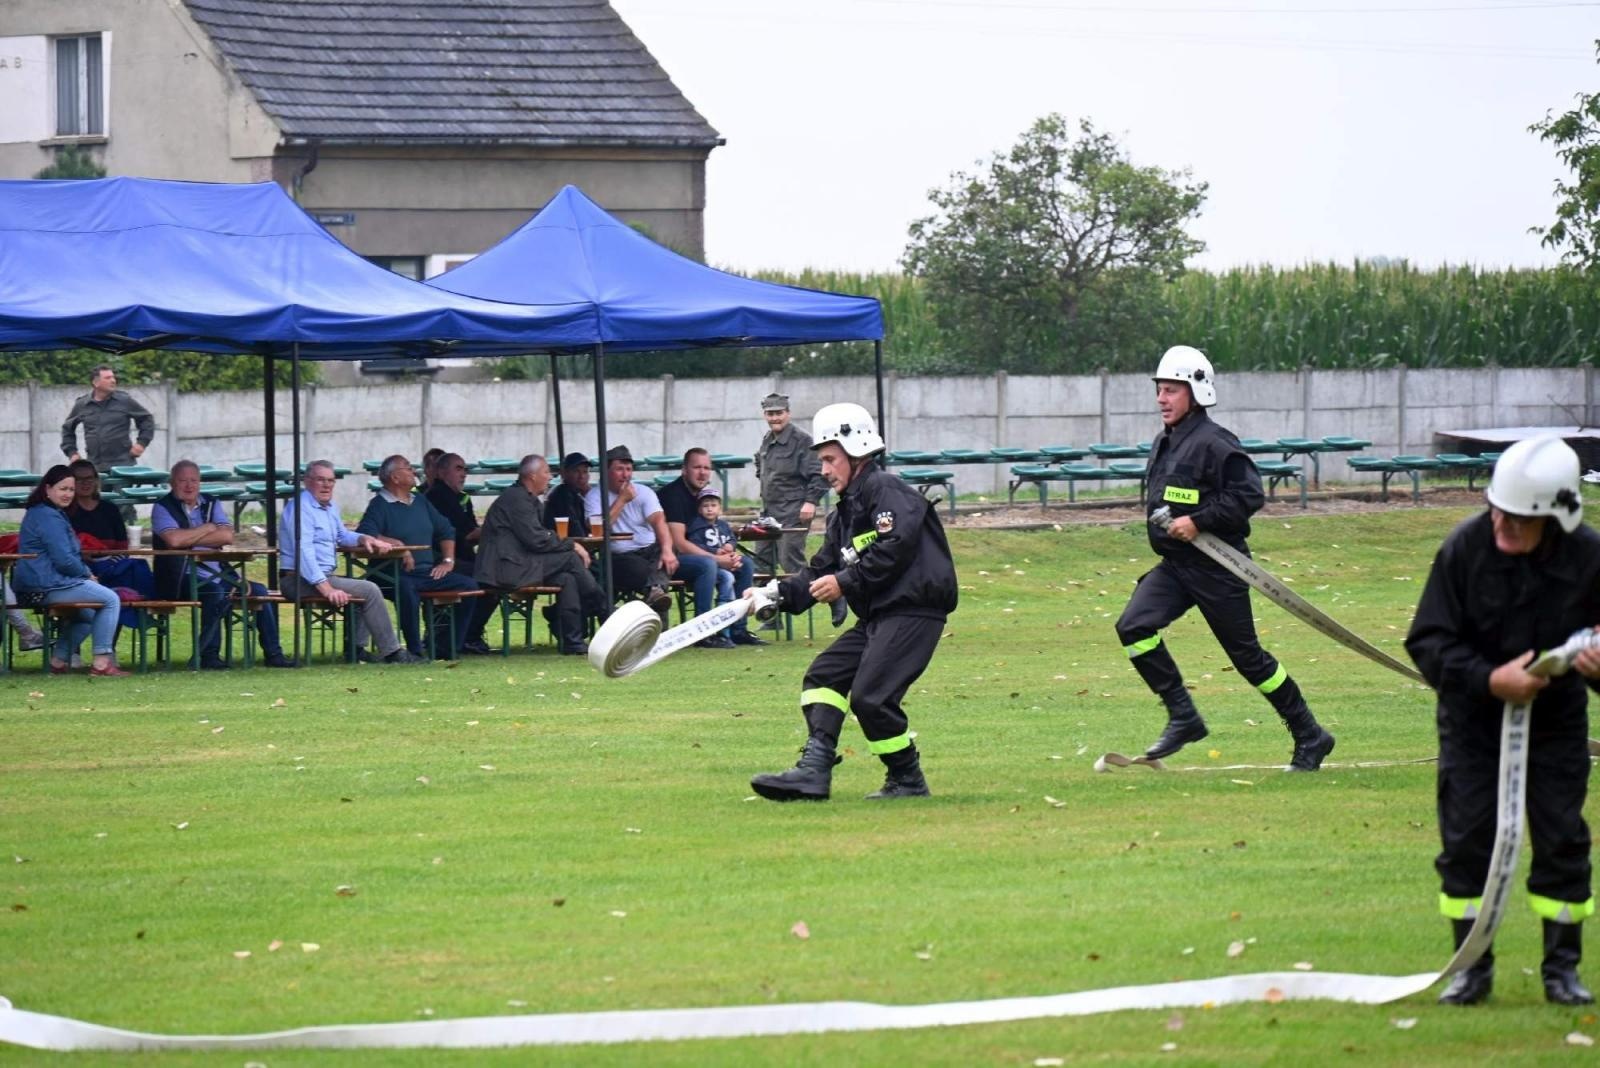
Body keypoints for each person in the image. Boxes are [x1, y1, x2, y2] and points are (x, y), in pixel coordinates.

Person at [1406, 435, 1598, 1007]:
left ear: (1557, 517)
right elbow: (1428, 641)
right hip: (1472, 725)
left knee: (1563, 839)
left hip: (1556, 725)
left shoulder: (1590, 558)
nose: (1501, 525)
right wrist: (1490, 680)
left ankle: (1562, 970)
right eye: (1495, 510)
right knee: (1466, 841)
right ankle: (1471, 967)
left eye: (1516, 519)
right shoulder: (1465, 549)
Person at [1114, 345, 1335, 770]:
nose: (1162, 398)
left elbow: (1249, 495)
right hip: (1178, 567)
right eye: (1160, 390)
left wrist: (1197, 521)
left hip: (1219, 568)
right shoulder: (1166, 441)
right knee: (1134, 627)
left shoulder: (1216, 443)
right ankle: (1184, 716)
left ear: (1196, 393)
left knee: (1250, 660)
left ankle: (1310, 735)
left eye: (1172, 390)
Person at [748, 402, 957, 802]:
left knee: (871, 696)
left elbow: (894, 547)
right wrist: (772, 593)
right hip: (880, 615)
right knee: (824, 676)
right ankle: (814, 771)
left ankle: (907, 779)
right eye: (821, 461)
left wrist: (845, 581)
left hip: (913, 611)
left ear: (856, 451)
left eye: (829, 459)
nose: (823, 471)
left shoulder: (887, 492)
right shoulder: (844, 514)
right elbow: (819, 570)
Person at [150, 460, 294, 670]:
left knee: (261, 591)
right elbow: (173, 541)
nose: (189, 486)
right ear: (172, 482)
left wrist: (189, 538)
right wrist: (208, 528)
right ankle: (209, 655)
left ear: (200, 482)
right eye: (183, 481)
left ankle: (274, 654)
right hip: (179, 577)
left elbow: (226, 536)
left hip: (219, 573)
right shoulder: (162, 507)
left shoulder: (211, 502)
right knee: (214, 592)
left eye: (194, 481)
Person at [278, 459, 424, 665]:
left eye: (331, 480)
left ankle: (356, 649)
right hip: (297, 580)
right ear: (307, 481)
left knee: (360, 589)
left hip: (319, 578)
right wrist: (327, 589)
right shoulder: (300, 509)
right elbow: (304, 554)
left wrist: (364, 538)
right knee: (370, 589)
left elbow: (342, 535)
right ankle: (392, 652)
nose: (327, 485)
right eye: (321, 480)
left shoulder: (329, 508)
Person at [476, 454, 609, 655]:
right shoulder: (516, 499)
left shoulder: (527, 499)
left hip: (521, 563)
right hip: (506, 568)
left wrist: (565, 544)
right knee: (570, 558)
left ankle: (573, 640)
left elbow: (539, 537)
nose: (550, 477)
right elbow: (536, 539)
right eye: (546, 472)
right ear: (532, 476)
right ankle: (605, 612)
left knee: (567, 578)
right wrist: (571, 545)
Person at [357, 454, 483, 659]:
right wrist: (398, 546)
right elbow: (366, 534)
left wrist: (448, 561)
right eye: (407, 468)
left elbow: (446, 530)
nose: (414, 471)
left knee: (468, 585)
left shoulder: (420, 501)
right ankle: (415, 650)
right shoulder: (379, 504)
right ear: (395, 477)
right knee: (407, 589)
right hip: (391, 574)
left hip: (425, 572)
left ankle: (447, 647)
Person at [12, 465, 130, 676]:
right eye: (62, 489)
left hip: (43, 582)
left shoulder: (49, 512)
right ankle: (102, 663)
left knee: (87, 614)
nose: (68, 494)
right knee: (110, 599)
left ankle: (57, 661)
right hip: (44, 585)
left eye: (70, 490)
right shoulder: (48, 516)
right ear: (48, 489)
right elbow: (64, 559)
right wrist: (87, 575)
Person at [657, 447, 764, 649]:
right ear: (684, 470)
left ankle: (738, 630)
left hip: (703, 555)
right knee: (707, 565)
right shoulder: (673, 495)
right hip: (670, 559)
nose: (702, 472)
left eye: (707, 468)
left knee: (745, 563)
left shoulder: (704, 497)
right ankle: (702, 632)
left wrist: (727, 552)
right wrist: (717, 559)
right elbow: (679, 543)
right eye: (697, 467)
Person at [64, 458, 156, 634]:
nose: (85, 483)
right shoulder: (66, 512)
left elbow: (123, 546)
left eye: (90, 478)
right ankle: (71, 651)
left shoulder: (109, 509)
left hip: (111, 566)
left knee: (130, 573)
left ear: (97, 481)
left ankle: (110, 646)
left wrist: (109, 563)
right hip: (77, 570)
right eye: (80, 479)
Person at [583, 445, 677, 612]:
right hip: (619, 556)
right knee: (641, 569)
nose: (625, 475)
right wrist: (622, 500)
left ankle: (655, 591)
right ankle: (656, 591)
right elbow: (599, 530)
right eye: (619, 469)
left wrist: (667, 550)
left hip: (649, 550)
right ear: (606, 471)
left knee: (666, 550)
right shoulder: (595, 496)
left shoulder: (644, 492)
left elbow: (659, 521)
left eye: (628, 469)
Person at [424, 452, 496, 655]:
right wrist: (497, 525)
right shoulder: (439, 496)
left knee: (490, 574)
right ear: (441, 472)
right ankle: (468, 636)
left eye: (465, 469)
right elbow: (467, 535)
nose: (463, 474)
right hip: (440, 562)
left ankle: (464, 635)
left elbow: (472, 531)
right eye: (458, 469)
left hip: (463, 559)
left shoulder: (461, 498)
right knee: (492, 579)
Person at [753, 392, 828, 578]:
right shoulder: (768, 439)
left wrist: (811, 501)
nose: (774, 418)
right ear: (765, 416)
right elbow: (760, 464)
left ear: (788, 413)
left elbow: (820, 473)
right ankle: (766, 606)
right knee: (761, 563)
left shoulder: (803, 440)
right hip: (768, 512)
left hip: (793, 512)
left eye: (779, 413)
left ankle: (816, 599)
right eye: (770, 414)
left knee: (791, 563)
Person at [60, 365, 155, 472]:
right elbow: (67, 429)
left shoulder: (124, 401)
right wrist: (72, 453)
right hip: (94, 466)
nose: (113, 381)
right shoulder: (82, 404)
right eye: (108, 378)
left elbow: (146, 419)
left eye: (113, 377)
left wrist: (141, 443)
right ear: (96, 383)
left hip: (123, 465)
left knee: (122, 489)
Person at [686, 485, 745, 612]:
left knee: (745, 565)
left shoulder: (723, 525)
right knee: (727, 578)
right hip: (709, 565)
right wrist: (715, 551)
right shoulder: (696, 526)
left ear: (720, 509)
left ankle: (735, 617)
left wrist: (730, 545)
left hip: (726, 561)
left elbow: (732, 538)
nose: (709, 509)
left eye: (713, 505)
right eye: (705, 506)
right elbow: (695, 544)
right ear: (699, 509)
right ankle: (722, 611)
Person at [543, 452, 594, 538]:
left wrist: (589, 495)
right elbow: (575, 529)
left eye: (585, 471)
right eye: (576, 471)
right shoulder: (562, 495)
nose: (581, 476)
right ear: (564, 473)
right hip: (564, 546)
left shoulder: (576, 493)